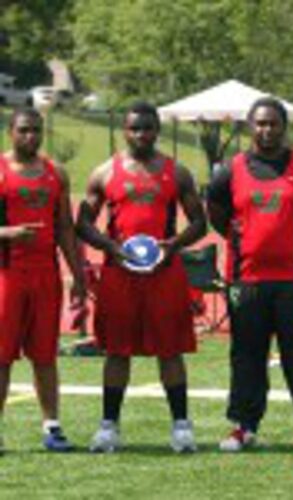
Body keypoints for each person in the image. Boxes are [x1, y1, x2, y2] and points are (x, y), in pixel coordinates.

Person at [207, 97, 293, 453]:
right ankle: (243, 426)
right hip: (246, 281)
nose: (266, 130)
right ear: (250, 127)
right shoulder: (228, 172)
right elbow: (218, 216)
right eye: (260, 124)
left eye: (273, 123)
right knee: (247, 355)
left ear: (284, 127)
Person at [77, 101, 207, 453]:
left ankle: (181, 427)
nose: (141, 134)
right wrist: (110, 245)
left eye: (148, 128)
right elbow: (83, 223)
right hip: (120, 274)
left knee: (171, 350)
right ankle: (108, 428)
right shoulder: (105, 172)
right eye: (135, 128)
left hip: (164, 274)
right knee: (117, 352)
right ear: (125, 130)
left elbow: (200, 222)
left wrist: (173, 244)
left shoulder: (176, 172)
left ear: (157, 130)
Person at [0, 107, 86, 452]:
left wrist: (78, 274)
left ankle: (52, 426)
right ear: (11, 131)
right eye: (24, 130)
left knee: (45, 355)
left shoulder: (55, 173)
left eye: (36, 130)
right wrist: (7, 233)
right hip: (6, 276)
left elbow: (65, 226)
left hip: (46, 276)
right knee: (2, 356)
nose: (30, 137)